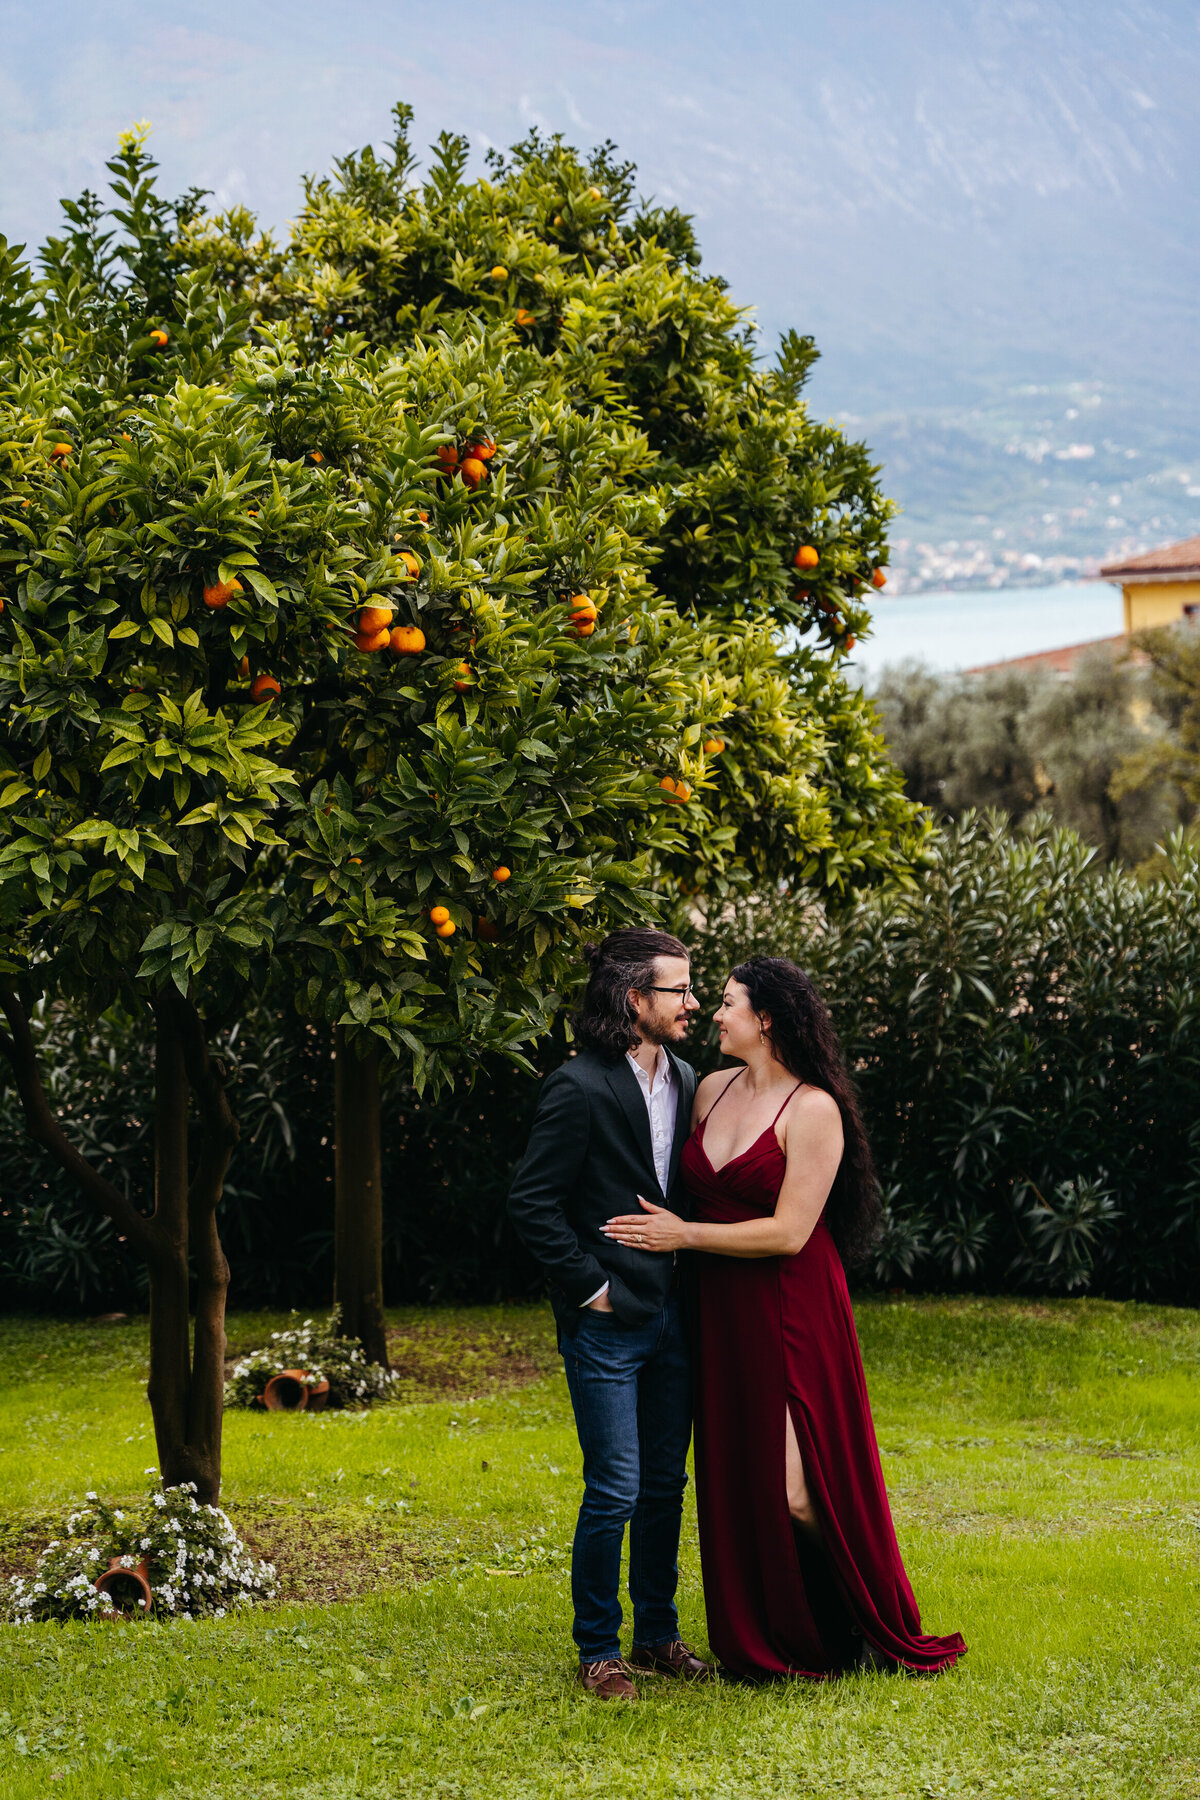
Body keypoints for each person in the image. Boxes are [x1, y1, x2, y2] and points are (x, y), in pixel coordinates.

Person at [603, 956, 966, 1681]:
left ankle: (867, 1617)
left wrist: (685, 1236)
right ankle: (785, 1631)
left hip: (790, 1306)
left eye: (729, 1002)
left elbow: (790, 1233)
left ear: (765, 1018)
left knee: (799, 1489)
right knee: (741, 1475)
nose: (713, 1012)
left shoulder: (814, 1110)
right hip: (720, 1311)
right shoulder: (707, 1088)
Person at [507, 928, 713, 1700]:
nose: (692, 1003)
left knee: (665, 1487)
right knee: (617, 1489)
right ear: (635, 1000)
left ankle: (657, 1636)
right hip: (605, 1325)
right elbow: (532, 1202)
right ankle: (598, 1648)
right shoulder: (577, 1086)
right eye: (679, 991)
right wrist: (590, 1288)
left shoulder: (690, 1078)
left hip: (675, 1320)